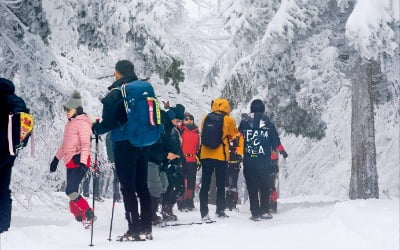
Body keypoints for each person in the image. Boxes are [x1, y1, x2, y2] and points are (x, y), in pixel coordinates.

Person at [92, 60, 153, 240]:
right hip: (143, 142)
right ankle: (146, 227)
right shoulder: (144, 89)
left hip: (125, 144)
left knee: (127, 187)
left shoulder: (116, 93)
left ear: (117, 73)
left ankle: (133, 229)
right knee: (142, 185)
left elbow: (108, 123)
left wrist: (95, 128)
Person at [49, 91, 95, 228]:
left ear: (76, 110)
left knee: (70, 190)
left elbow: (86, 144)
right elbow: (65, 145)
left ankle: (88, 213)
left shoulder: (83, 123)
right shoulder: (69, 125)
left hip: (80, 162)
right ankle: (80, 217)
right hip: (70, 162)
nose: (66, 112)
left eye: (68, 110)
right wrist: (56, 159)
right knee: (70, 191)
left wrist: (82, 162)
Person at [238, 99, 287, 221]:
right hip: (264, 162)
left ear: (252, 109)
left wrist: (238, 154)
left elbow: (238, 139)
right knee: (265, 186)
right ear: (263, 109)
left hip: (249, 161)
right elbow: (275, 141)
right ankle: (265, 210)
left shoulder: (244, 122)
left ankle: (255, 212)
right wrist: (282, 151)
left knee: (252, 186)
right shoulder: (268, 122)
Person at [199, 98, 239, 220]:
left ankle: (204, 212)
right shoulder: (228, 120)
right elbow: (234, 135)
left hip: (205, 154)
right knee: (220, 184)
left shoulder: (205, 118)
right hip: (220, 156)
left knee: (205, 184)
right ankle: (220, 210)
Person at [0, 78, 29, 234]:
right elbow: (27, 123)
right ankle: (3, 226)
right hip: (10, 151)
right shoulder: (18, 102)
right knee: (4, 188)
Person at [160, 104, 186, 221]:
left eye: (180, 121)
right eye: (177, 120)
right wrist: (166, 156)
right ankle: (166, 209)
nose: (179, 122)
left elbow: (178, 147)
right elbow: (160, 144)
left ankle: (167, 208)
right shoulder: (165, 127)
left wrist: (180, 159)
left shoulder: (174, 128)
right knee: (171, 186)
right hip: (165, 162)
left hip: (174, 161)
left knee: (178, 186)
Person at [177, 112, 200, 211]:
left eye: (191, 119)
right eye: (186, 119)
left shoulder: (197, 132)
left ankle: (190, 202)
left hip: (193, 160)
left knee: (191, 182)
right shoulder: (180, 130)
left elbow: (198, 147)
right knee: (181, 181)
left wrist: (199, 159)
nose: (189, 121)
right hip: (182, 159)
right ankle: (181, 202)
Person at [225, 134, 243, 211]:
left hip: (235, 163)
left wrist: (237, 152)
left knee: (234, 184)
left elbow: (241, 148)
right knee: (226, 183)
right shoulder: (225, 136)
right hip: (226, 163)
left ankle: (234, 204)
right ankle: (226, 203)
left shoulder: (238, 137)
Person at [269, 144, 288, 213]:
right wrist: (283, 152)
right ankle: (272, 205)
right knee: (271, 186)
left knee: (268, 186)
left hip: (269, 164)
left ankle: (270, 205)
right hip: (271, 164)